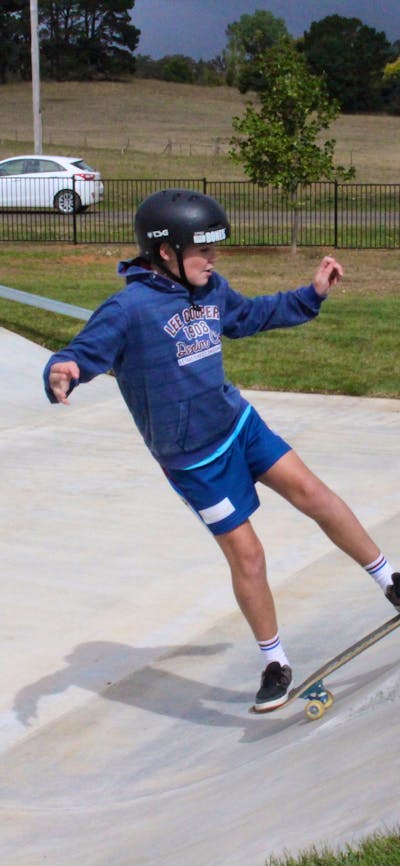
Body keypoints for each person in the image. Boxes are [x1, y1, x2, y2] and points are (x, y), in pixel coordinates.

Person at [43, 188, 400, 712]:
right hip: (192, 460)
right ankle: (275, 662)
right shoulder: (129, 309)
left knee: (313, 493)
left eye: (215, 250)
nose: (213, 261)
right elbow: (83, 351)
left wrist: (312, 294)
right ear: (165, 252)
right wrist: (65, 368)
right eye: (203, 251)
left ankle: (390, 580)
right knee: (248, 554)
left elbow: (250, 316)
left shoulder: (210, 290)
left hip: (239, 425)